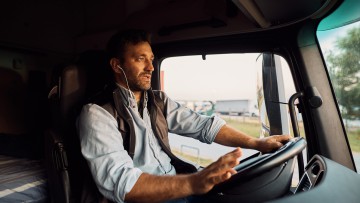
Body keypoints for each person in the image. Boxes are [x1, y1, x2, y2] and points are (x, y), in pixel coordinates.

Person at [76, 29, 291, 203]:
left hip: (179, 187)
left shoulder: (158, 101)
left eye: (151, 59)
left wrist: (256, 142)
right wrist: (193, 182)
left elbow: (204, 126)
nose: (150, 67)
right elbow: (123, 184)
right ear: (116, 65)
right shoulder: (96, 114)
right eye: (141, 59)